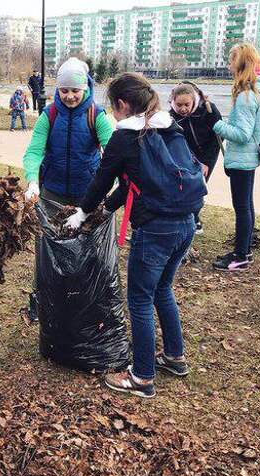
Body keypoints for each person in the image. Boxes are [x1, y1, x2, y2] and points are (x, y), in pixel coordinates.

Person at [65, 73, 205, 398]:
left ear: (123, 105)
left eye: (113, 108)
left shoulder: (125, 137)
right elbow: (136, 180)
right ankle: (174, 356)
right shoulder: (170, 127)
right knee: (163, 289)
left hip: (156, 230)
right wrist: (108, 208)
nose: (112, 114)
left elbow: (103, 179)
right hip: (185, 224)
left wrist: (82, 213)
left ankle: (142, 376)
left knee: (140, 299)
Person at [212, 43, 260, 271]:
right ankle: (244, 250)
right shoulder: (258, 93)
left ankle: (241, 255)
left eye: (231, 62)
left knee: (242, 208)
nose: (229, 67)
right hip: (248, 159)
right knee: (246, 206)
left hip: (242, 159)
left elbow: (241, 134)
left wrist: (217, 125)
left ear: (240, 65)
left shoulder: (246, 97)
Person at [23, 57, 113, 206]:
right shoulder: (49, 114)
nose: (70, 96)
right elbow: (34, 151)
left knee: (87, 230)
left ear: (84, 88)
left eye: (75, 90)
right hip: (52, 191)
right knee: (48, 229)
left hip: (88, 192)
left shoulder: (96, 115)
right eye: (64, 91)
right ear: (58, 89)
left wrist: (110, 182)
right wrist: (32, 181)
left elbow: (112, 154)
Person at [169, 82, 222, 234]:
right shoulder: (171, 116)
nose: (183, 109)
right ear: (173, 101)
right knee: (184, 187)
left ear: (194, 100)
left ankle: (195, 219)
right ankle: (190, 218)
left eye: (187, 104)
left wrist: (205, 162)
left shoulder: (208, 110)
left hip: (207, 154)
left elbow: (217, 139)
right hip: (186, 155)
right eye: (179, 104)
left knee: (198, 187)